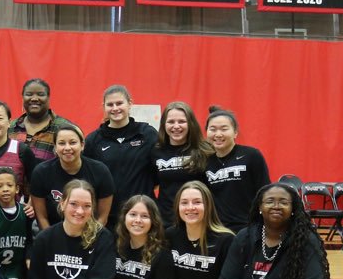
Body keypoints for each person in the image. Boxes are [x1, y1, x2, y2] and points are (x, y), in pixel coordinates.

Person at [84, 85, 160, 226]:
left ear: (130, 103)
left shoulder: (148, 134)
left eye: (119, 103)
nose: (115, 108)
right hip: (109, 217)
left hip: (142, 214)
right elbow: (89, 179)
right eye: (110, 104)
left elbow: (158, 172)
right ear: (104, 107)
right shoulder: (93, 140)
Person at [29, 126, 115, 229]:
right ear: (55, 147)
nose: (67, 148)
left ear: (82, 145)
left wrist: (90, 239)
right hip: (53, 236)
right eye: (61, 143)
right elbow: (41, 217)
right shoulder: (41, 172)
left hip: (90, 235)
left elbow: (102, 217)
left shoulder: (100, 171)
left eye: (73, 142)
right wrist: (52, 240)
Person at [202, 107, 271, 231]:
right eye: (213, 129)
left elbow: (265, 192)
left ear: (235, 132)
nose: (218, 134)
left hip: (248, 229)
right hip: (218, 231)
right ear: (206, 132)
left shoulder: (251, 155)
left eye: (224, 129)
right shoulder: (204, 162)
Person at [152, 102, 211, 226]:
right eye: (171, 122)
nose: (176, 126)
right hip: (166, 221)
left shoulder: (205, 150)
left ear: (190, 124)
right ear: (164, 125)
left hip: (197, 220)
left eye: (182, 121)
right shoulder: (156, 151)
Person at [12, 79, 77, 170]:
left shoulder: (65, 128)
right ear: (22, 98)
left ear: (48, 97)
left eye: (40, 94)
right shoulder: (10, 128)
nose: (34, 98)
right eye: (29, 94)